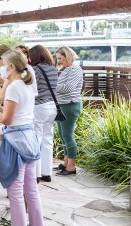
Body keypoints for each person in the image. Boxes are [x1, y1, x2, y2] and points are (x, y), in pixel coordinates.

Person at [0, 50, 43, 226]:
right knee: (31, 191)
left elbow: (7, 119)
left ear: (11, 66)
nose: (2, 68)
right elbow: (12, 111)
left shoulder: (14, 87)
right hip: (30, 139)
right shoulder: (26, 84)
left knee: (15, 192)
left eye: (3, 64)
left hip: (16, 141)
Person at [28, 45, 58, 183]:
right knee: (47, 140)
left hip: (39, 106)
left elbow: (30, 87)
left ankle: (36, 175)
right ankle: (47, 173)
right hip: (52, 106)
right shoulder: (53, 69)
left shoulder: (35, 70)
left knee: (36, 140)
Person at [54, 46, 83, 176]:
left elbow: (69, 88)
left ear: (67, 56)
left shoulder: (75, 69)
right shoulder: (68, 69)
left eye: (60, 58)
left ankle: (71, 167)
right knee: (63, 135)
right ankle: (66, 163)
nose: (59, 61)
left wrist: (51, 85)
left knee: (68, 136)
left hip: (70, 105)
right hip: (63, 105)